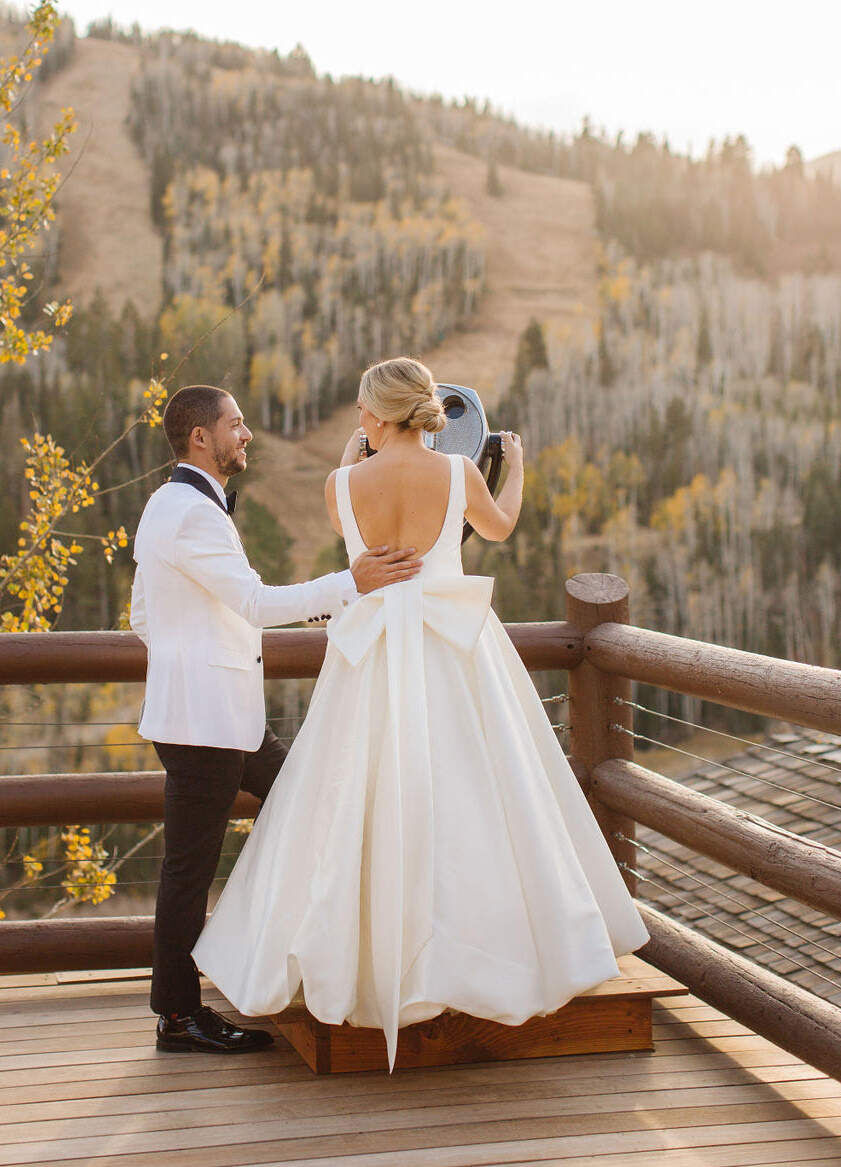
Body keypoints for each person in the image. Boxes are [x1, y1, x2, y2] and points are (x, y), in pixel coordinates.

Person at [191, 358, 650, 1070]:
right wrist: (514, 464)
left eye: (361, 410)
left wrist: (355, 453)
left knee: (359, 803)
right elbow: (496, 528)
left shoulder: (341, 484)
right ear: (423, 410)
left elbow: (345, 497)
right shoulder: (456, 474)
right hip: (453, 649)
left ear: (377, 415)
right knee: (478, 801)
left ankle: (356, 960)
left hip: (370, 656)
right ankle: (490, 960)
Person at [130, 383, 422, 1054]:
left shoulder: (166, 504)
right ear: (200, 437)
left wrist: (190, 662)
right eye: (236, 424)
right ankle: (178, 1015)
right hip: (206, 724)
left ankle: (287, 953)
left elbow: (147, 616)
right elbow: (256, 605)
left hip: (217, 716)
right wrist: (355, 582)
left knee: (308, 799)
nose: (247, 434)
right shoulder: (193, 514)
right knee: (188, 870)